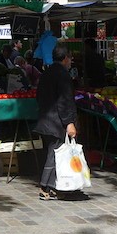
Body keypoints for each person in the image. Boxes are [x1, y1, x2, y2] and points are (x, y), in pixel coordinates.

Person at [34, 44, 84, 201]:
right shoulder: (62, 75)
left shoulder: (46, 72)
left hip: (45, 119)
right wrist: (69, 122)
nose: (71, 61)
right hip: (55, 122)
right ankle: (44, 187)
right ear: (65, 59)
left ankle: (53, 186)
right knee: (54, 154)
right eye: (70, 58)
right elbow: (64, 101)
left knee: (53, 152)